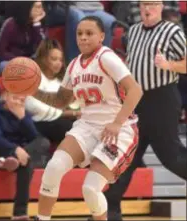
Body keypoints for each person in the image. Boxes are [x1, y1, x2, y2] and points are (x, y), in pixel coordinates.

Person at [33, 16, 143, 220]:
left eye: (89, 33)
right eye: (79, 33)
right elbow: (60, 101)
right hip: (87, 126)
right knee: (54, 166)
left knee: (91, 189)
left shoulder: (106, 58)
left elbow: (135, 90)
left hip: (119, 129)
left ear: (102, 36)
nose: (83, 38)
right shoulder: (74, 64)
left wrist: (117, 123)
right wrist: (33, 91)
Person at [104, 1, 187, 220]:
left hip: (162, 99)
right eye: (143, 5)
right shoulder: (133, 31)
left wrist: (169, 65)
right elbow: (132, 63)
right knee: (125, 156)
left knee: (170, 157)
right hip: (137, 99)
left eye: (151, 4)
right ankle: (109, 212)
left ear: (160, 6)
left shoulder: (172, 31)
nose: (147, 9)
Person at [0, 91, 50, 220]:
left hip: (18, 156)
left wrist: (23, 119)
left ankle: (19, 214)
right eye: (15, 98)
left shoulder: (24, 114)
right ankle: (20, 213)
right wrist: (15, 149)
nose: (18, 102)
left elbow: (34, 137)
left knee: (42, 144)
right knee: (26, 161)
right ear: (5, 98)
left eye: (22, 101)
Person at [25, 39, 80, 144]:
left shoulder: (61, 81)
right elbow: (37, 109)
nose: (58, 63)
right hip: (39, 123)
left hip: (58, 120)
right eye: (54, 59)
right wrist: (72, 113)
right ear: (43, 59)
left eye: (60, 60)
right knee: (70, 129)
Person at [0, 0, 46, 74]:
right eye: (37, 7)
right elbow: (0, 52)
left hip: (31, 60)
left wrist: (36, 24)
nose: (41, 9)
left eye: (41, 6)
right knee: (5, 66)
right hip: (11, 61)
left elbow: (41, 48)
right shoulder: (10, 24)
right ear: (27, 7)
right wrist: (21, 60)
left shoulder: (39, 24)